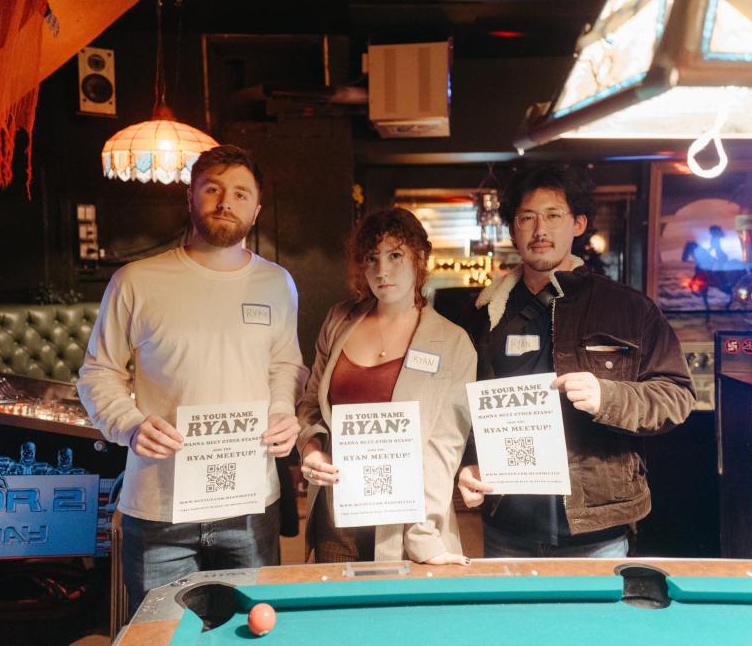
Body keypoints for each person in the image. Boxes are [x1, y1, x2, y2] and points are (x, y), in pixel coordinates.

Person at [77, 144, 307, 613]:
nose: (226, 201)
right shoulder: (136, 281)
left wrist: (284, 411)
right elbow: (98, 372)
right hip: (159, 509)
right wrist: (129, 421)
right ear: (191, 197)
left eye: (241, 193)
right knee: (162, 636)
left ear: (257, 210)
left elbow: (286, 365)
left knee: (250, 631)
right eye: (213, 189)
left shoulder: (277, 283)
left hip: (250, 502)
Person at [458, 164, 695, 558]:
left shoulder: (629, 309)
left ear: (579, 223)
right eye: (527, 217)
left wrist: (608, 397)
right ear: (513, 228)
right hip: (506, 524)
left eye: (553, 215)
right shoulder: (485, 313)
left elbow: (676, 396)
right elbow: (460, 408)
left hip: (595, 533)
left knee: (591, 623)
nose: (540, 230)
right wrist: (467, 465)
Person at [296, 208, 475, 565]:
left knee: (401, 619)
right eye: (371, 258)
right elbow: (311, 405)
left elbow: (443, 450)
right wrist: (310, 449)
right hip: (336, 512)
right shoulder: (338, 320)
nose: (382, 270)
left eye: (395, 255)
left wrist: (426, 536)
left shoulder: (453, 342)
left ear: (420, 258)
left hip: (406, 520)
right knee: (337, 617)